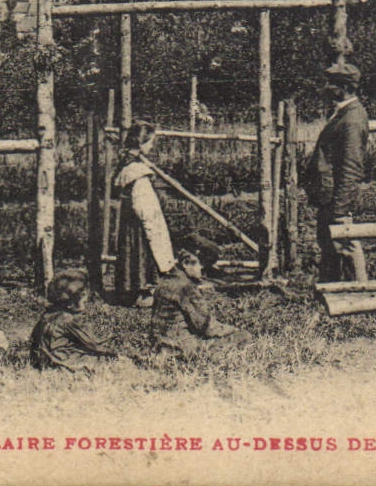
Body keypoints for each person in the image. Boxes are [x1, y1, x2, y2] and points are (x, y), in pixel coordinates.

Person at [308, 60, 368, 282]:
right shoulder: (342, 113)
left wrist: (341, 207)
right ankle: (331, 289)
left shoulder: (352, 118)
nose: (327, 88)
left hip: (337, 196)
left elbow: (351, 166)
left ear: (345, 88)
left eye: (332, 84)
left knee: (346, 243)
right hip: (329, 193)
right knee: (330, 244)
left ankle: (361, 291)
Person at [149, 246, 251, 359]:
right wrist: (233, 329)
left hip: (158, 343)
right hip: (181, 347)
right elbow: (206, 327)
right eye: (200, 264)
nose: (202, 269)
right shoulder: (186, 286)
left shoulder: (164, 281)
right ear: (185, 263)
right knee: (243, 336)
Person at [113, 122, 175, 305]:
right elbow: (143, 202)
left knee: (131, 252)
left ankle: (131, 291)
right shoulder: (136, 171)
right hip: (138, 219)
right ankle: (141, 292)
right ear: (141, 143)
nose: (152, 146)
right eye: (150, 142)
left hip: (130, 219)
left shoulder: (129, 164)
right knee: (140, 251)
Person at [29, 269, 116, 373]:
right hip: (60, 364)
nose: (86, 300)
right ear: (74, 300)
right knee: (108, 360)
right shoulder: (69, 319)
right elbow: (94, 345)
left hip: (41, 363)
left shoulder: (46, 316)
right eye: (83, 296)